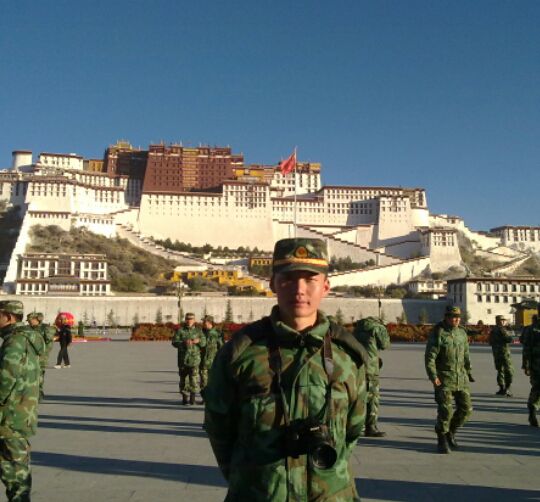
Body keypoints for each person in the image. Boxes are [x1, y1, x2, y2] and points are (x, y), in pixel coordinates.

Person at [204, 238, 367, 501]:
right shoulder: (241, 354)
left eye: (310, 280)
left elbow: (353, 430)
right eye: (288, 279)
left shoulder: (347, 356)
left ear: (325, 286)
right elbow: (219, 428)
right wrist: (252, 479)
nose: (299, 290)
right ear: (273, 284)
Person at [0, 300, 44, 501]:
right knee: (14, 468)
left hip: (10, 416)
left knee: (14, 469)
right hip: (21, 411)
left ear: (8, 317)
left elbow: (6, 378)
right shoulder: (27, 339)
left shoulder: (15, 341)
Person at [425, 305, 474, 454]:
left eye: (458, 317)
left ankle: (451, 431)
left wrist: (469, 371)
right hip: (444, 378)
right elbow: (430, 357)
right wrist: (433, 376)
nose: (456, 320)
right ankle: (442, 438)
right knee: (445, 410)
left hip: (461, 377)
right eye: (453, 317)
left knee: (466, 409)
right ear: (446, 317)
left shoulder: (462, 333)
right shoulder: (439, 333)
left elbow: (466, 354)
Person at [353, 316, 390, 437]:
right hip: (371, 367)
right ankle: (371, 426)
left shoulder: (357, 328)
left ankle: (356, 424)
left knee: (360, 395)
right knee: (373, 397)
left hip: (357, 366)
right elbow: (385, 344)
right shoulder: (377, 328)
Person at [172, 313, 205, 405]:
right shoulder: (180, 330)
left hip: (194, 359)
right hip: (183, 360)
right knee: (183, 379)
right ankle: (184, 398)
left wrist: (198, 341)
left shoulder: (198, 331)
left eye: (191, 319)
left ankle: (192, 399)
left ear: (194, 320)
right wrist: (183, 343)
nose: (189, 320)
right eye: (187, 319)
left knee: (194, 379)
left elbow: (204, 343)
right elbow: (174, 342)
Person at [26, 313, 55, 400]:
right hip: (30, 355)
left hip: (41, 356)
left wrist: (43, 353)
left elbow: (48, 342)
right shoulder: (29, 328)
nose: (29, 322)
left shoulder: (45, 328)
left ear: (36, 319)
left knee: (39, 375)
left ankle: (39, 393)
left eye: (30, 320)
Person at [521, 306, 540, 427]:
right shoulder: (531, 329)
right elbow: (526, 348)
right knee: (537, 387)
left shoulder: (531, 328)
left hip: (535, 363)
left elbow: (526, 348)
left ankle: (533, 408)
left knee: (537, 388)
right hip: (536, 364)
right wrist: (526, 365)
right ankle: (532, 409)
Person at [488, 315, 514, 397]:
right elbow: (509, 339)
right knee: (509, 370)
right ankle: (507, 388)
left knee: (500, 370)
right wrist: (510, 332)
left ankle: (501, 388)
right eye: (501, 320)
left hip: (496, 353)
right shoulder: (502, 330)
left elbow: (490, 342)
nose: (503, 322)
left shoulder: (493, 330)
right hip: (504, 353)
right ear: (497, 321)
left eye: (504, 320)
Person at [199, 315, 223, 398]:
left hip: (214, 362)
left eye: (204, 321)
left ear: (209, 322)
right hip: (202, 361)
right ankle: (205, 398)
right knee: (203, 381)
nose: (203, 323)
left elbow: (221, 347)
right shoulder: (200, 332)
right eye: (203, 321)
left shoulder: (217, 333)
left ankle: (214, 398)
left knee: (214, 381)